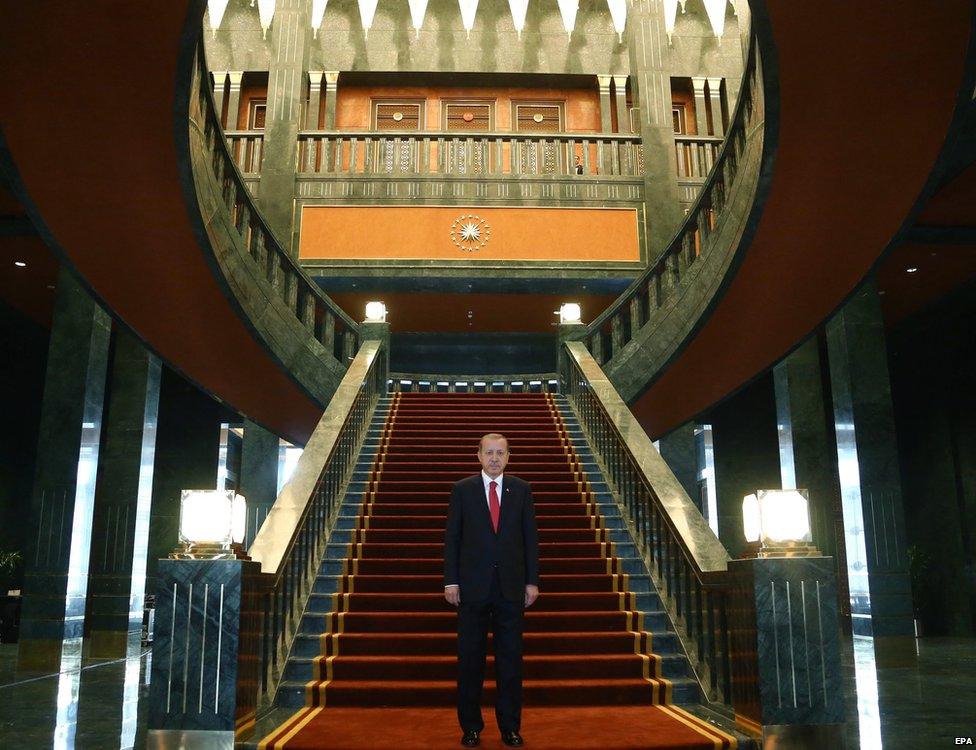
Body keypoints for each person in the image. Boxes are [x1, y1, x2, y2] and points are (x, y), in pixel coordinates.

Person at [444, 433, 540, 748]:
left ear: (509, 457)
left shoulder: (522, 490)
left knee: (510, 662)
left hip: (511, 589)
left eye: (501, 453)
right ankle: (470, 726)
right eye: (489, 453)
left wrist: (532, 581)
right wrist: (451, 580)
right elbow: (453, 539)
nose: (495, 458)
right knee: (470, 661)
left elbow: (530, 540)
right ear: (479, 456)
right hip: (471, 588)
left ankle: (510, 727)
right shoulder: (463, 490)